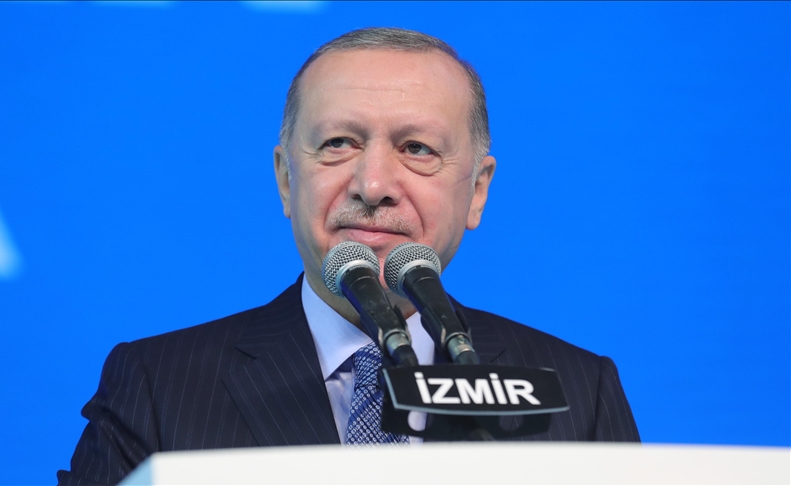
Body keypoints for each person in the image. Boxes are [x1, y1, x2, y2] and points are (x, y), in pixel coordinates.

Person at [58, 27, 639, 486]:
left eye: (417, 148)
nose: (373, 184)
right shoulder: (158, 385)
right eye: (339, 143)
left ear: (478, 190)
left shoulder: (578, 392)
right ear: (287, 179)